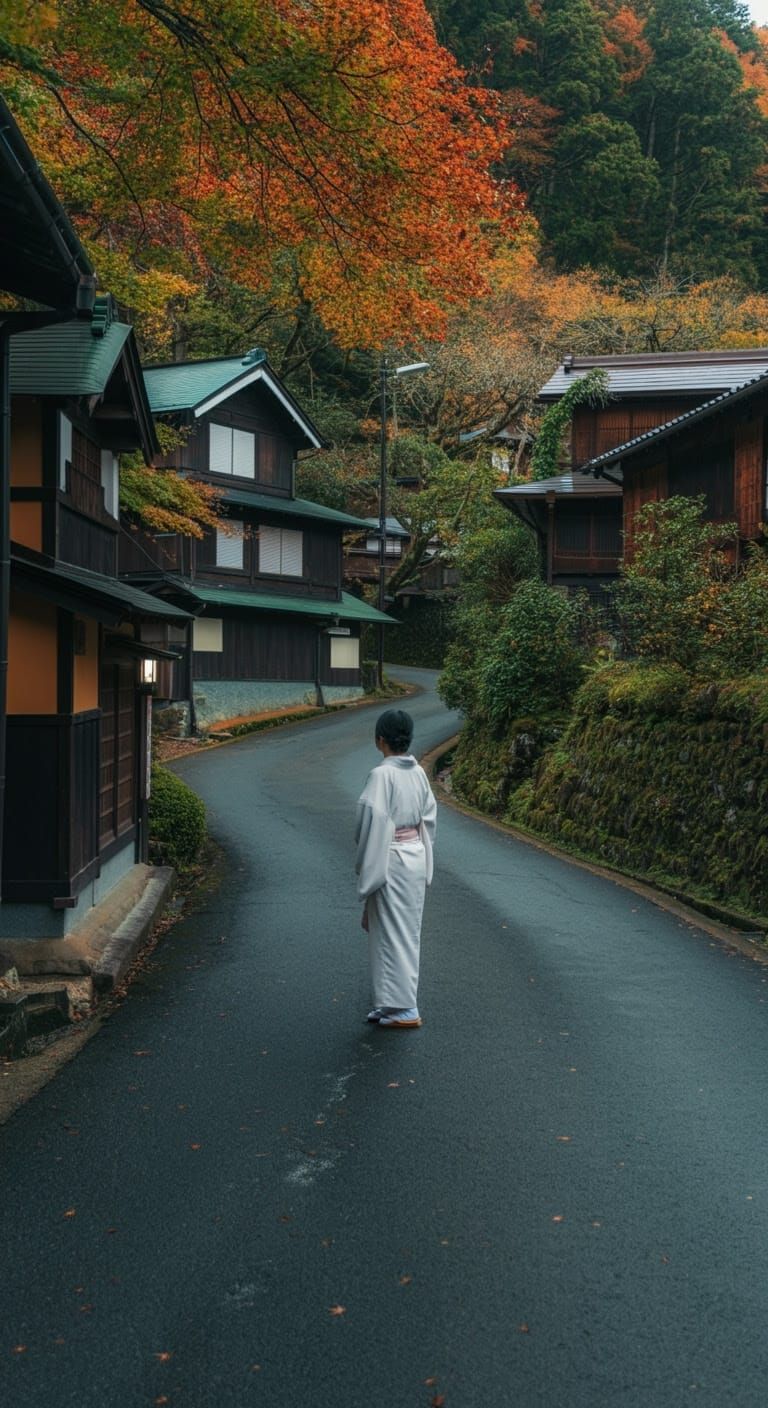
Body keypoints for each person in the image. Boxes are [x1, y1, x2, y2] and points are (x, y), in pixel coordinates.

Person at [355, 708, 437, 1029]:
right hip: (414, 854)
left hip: (391, 857)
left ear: (380, 740)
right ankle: (389, 1003)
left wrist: (367, 861)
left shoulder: (382, 775)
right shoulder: (418, 773)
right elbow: (428, 818)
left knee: (392, 932)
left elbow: (370, 822)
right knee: (402, 931)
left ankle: (404, 1007)